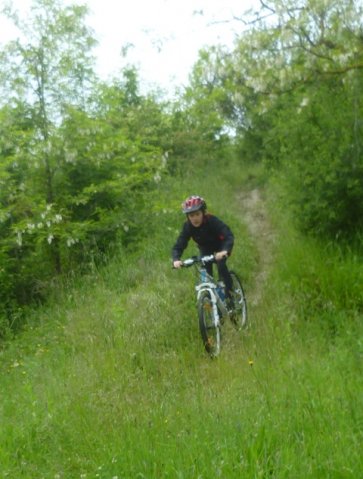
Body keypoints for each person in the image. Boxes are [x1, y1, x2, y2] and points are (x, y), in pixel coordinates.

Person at [172, 195, 234, 307]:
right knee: (206, 276)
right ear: (187, 217)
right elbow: (179, 244)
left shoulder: (212, 221)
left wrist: (225, 250)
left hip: (220, 246)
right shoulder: (188, 227)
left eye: (197, 214)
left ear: (203, 213)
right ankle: (214, 306)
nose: (195, 218)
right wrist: (176, 259)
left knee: (221, 267)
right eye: (191, 215)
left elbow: (228, 235)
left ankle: (230, 298)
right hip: (205, 248)